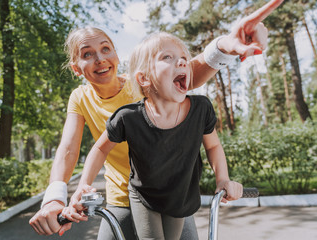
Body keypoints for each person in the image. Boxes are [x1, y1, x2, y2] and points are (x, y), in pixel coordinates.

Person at [29, 0, 282, 238]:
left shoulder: (141, 86)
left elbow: (186, 72)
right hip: (123, 198)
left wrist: (224, 46)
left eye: (106, 48)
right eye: (88, 54)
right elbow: (69, 149)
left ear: (117, 54)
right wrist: (56, 197)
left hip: (170, 193)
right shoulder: (80, 98)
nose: (100, 58)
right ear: (76, 67)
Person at [64, 32, 243, 240]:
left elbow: (213, 147)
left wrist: (223, 179)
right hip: (143, 194)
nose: (182, 62)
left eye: (184, 58)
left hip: (178, 193)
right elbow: (99, 148)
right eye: (167, 57)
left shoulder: (200, 109)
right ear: (144, 78)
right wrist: (84, 184)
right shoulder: (128, 116)